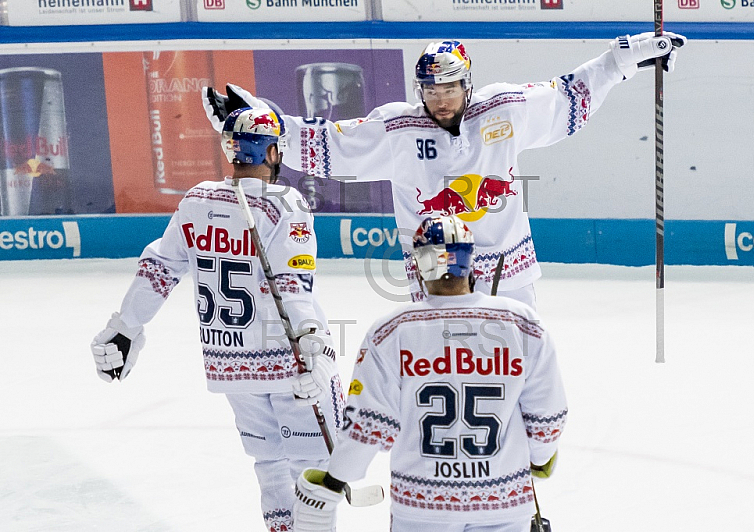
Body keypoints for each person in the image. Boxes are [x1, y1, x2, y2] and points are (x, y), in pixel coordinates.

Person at [203, 34, 686, 310]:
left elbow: (569, 92)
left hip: (507, 270)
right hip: (435, 272)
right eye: (430, 90)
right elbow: (326, 142)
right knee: (446, 368)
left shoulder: (505, 109)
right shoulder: (398, 128)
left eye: (449, 88)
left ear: (467, 83)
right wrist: (252, 124)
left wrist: (625, 58)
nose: (439, 99)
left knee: (519, 371)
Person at [90, 106, 345, 531]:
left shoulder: (197, 200)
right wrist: (313, 344)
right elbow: (291, 284)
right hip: (286, 360)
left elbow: (160, 268)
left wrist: (126, 326)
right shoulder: (285, 204)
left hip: (230, 363)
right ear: (274, 152)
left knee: (269, 463)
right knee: (312, 466)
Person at [291, 216, 568, 532]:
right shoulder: (522, 325)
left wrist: (334, 479)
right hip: (503, 505)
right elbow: (547, 416)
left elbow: (369, 423)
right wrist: (541, 456)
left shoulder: (392, 331)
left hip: (423, 507)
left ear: (420, 266)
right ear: (470, 261)